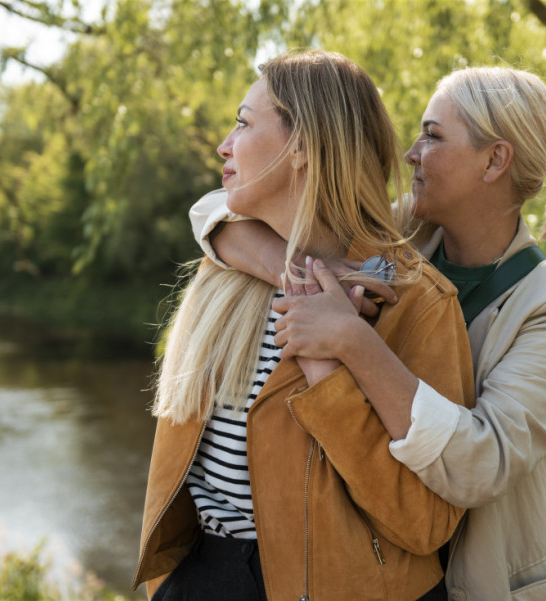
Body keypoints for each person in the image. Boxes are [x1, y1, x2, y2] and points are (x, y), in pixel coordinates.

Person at [190, 66, 546, 600]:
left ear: (494, 160)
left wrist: (352, 341)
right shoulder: (398, 239)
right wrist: (291, 268)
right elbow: (213, 210)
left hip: (480, 577)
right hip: (382, 563)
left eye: (432, 136)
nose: (410, 153)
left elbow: (484, 463)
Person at [132, 50, 476, 601]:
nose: (224, 144)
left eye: (243, 123)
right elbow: (207, 211)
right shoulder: (227, 266)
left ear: (303, 148)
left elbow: (425, 524)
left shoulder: (415, 302)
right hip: (204, 578)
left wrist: (329, 372)